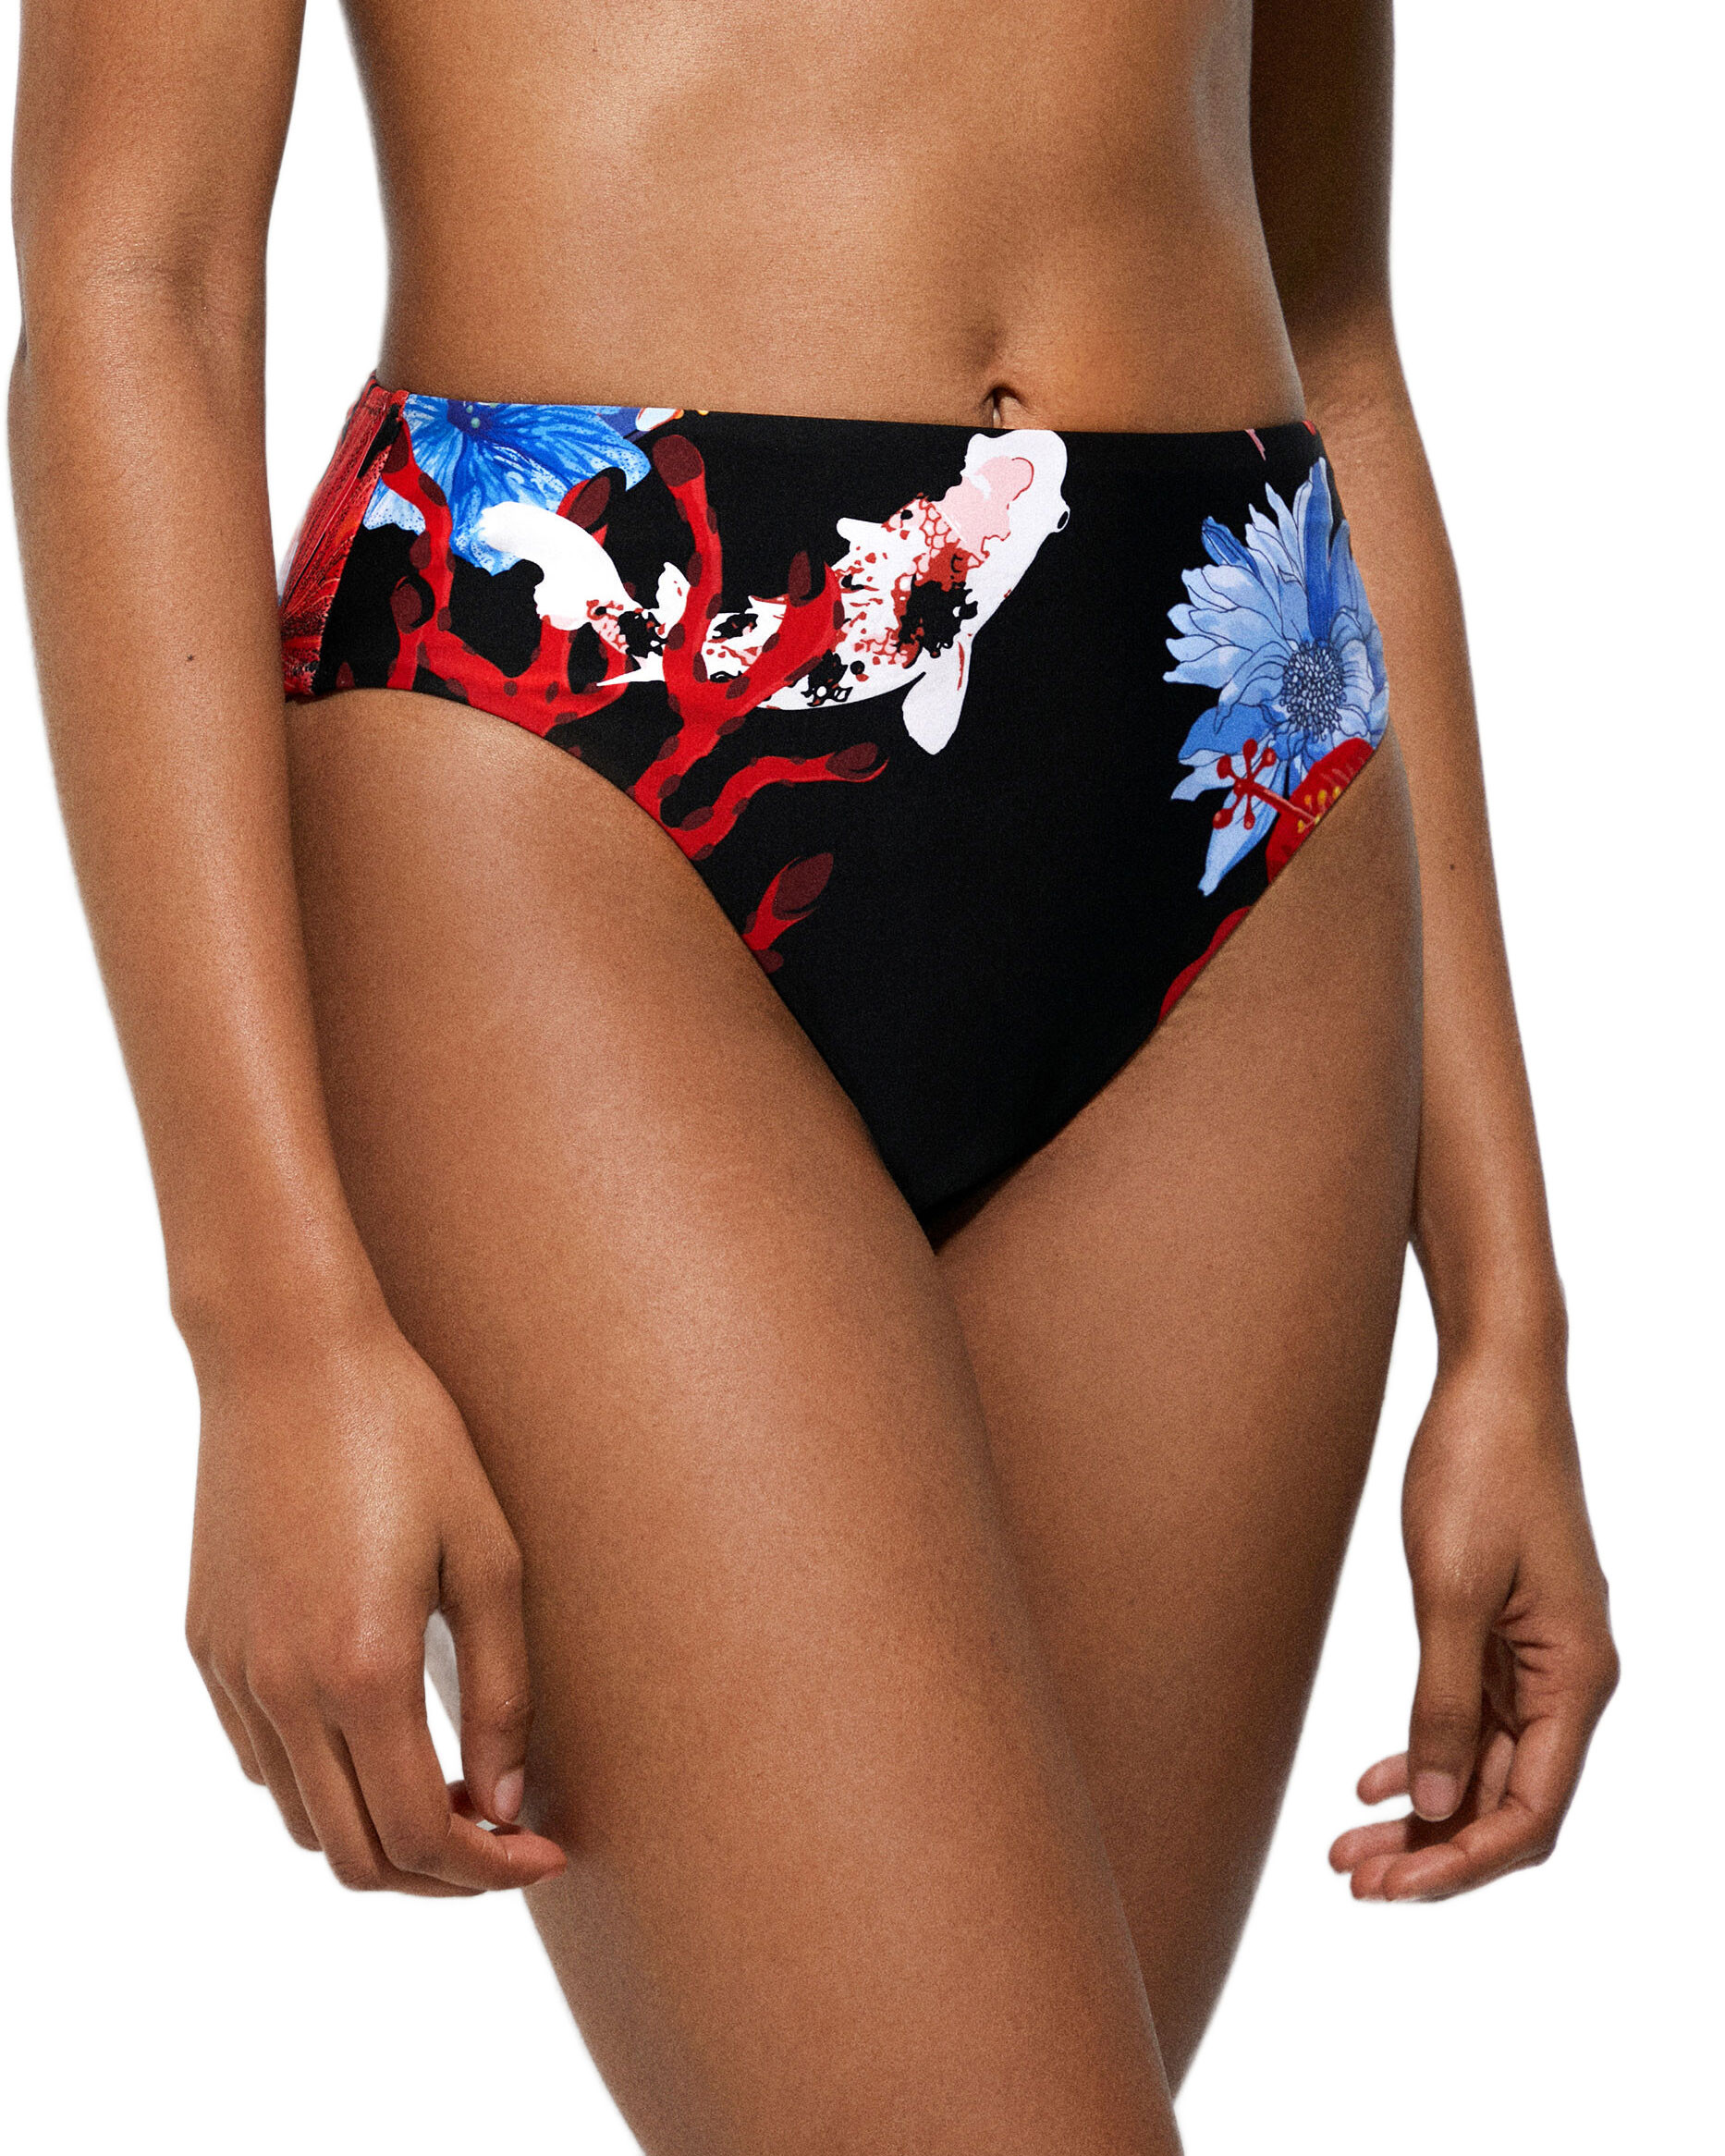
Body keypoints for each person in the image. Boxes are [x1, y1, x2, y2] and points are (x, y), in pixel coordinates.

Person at [9, 1, 1617, 2146]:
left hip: (1240, 727)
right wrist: (266, 1320)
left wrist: (1507, 1317)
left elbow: (1335, 329)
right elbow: (136, 280)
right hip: (578, 717)